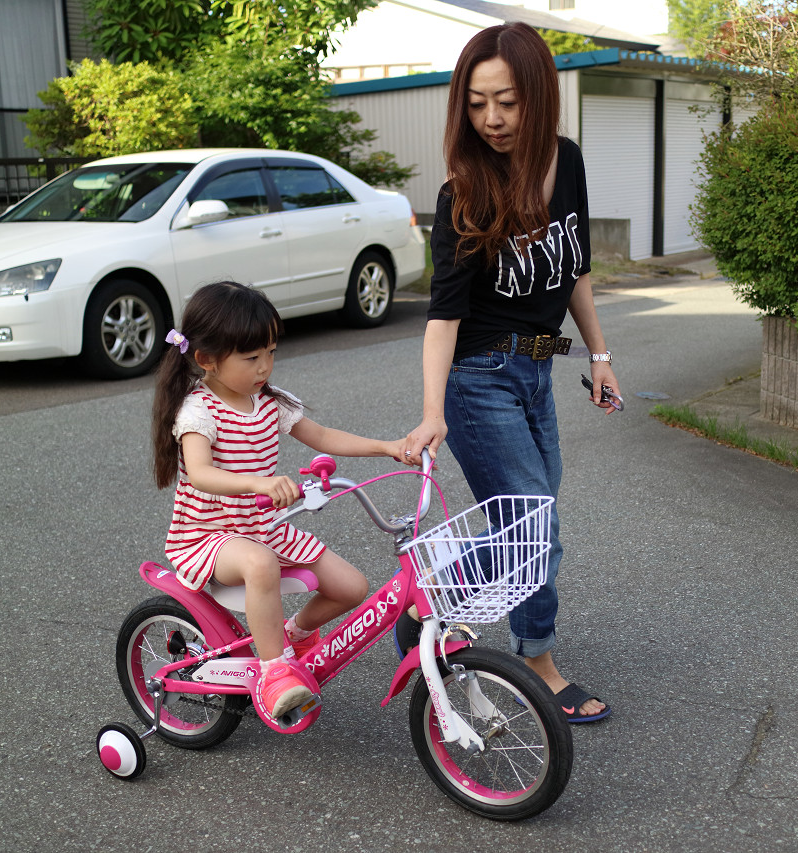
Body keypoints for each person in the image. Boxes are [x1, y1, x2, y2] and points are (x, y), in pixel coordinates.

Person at [401, 22, 618, 724]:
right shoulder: (463, 193)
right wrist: (432, 411)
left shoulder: (567, 160)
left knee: (525, 523)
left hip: (536, 371)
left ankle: (424, 603)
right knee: (535, 528)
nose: (491, 118)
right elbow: (442, 317)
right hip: (478, 380)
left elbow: (574, 269)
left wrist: (599, 357)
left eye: (508, 102)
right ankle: (538, 663)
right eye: (476, 104)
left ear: (539, 97)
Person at [152, 281, 408, 721]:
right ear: (207, 359)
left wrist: (388, 447)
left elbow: (323, 436)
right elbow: (201, 472)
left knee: (351, 587)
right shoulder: (198, 410)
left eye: (271, 352)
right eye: (251, 357)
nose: (265, 366)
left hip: (262, 529)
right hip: (208, 534)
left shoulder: (270, 402)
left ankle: (294, 634)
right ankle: (273, 673)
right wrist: (259, 484)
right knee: (260, 563)